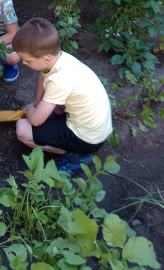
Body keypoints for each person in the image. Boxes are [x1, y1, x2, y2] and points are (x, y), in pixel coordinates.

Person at [11, 17, 113, 174]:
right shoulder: (60, 59)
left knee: (22, 129)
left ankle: (76, 156)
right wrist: (37, 103)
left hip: (87, 139)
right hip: (95, 128)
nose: (23, 63)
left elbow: (36, 121)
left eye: (27, 60)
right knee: (50, 109)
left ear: (45, 58)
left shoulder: (60, 80)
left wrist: (31, 109)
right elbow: (43, 75)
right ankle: (63, 134)